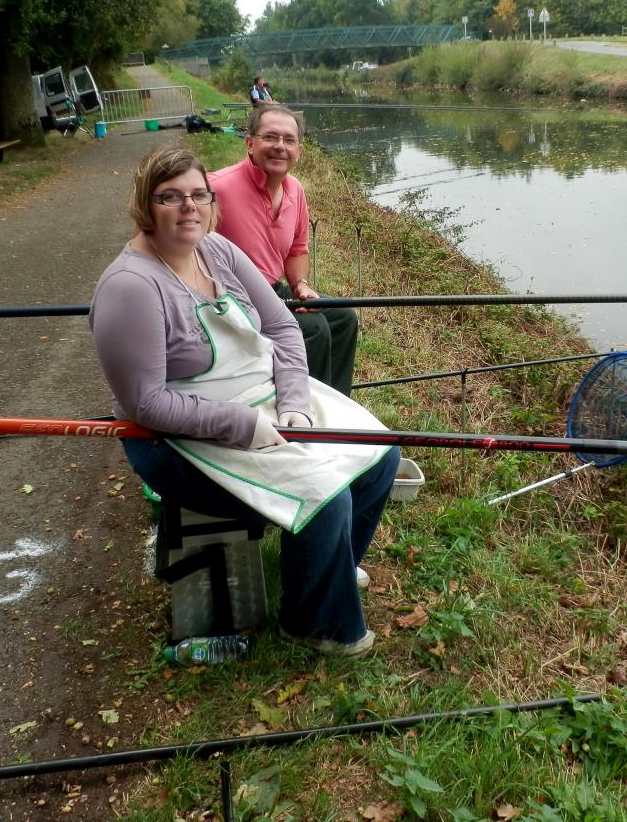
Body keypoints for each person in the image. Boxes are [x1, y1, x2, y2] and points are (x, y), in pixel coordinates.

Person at [90, 146, 398, 656]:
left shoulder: (218, 251)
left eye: (197, 195)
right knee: (325, 492)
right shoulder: (131, 287)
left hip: (267, 398)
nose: (188, 207)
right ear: (145, 207)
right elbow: (146, 404)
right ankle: (313, 624)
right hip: (180, 438)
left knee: (379, 454)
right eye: (170, 197)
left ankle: (328, 567)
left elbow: (281, 326)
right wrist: (242, 426)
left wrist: (295, 400)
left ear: (211, 202)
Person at [209, 105, 360, 396]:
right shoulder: (218, 187)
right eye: (270, 137)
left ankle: (336, 401)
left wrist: (300, 286)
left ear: (299, 151)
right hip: (233, 300)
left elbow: (297, 249)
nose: (280, 146)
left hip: (274, 290)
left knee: (343, 318)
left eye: (289, 140)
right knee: (313, 328)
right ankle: (304, 411)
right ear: (250, 144)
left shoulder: (296, 191)